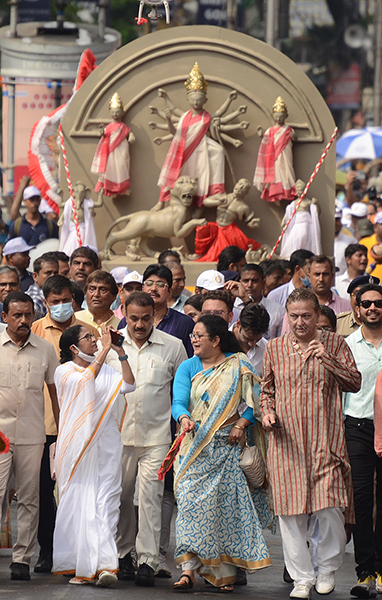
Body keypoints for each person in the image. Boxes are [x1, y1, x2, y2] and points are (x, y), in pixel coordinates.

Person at [261, 288, 361, 599]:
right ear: (287, 317)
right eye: (294, 316)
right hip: (286, 444)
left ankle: (327, 568)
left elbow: (354, 382)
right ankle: (301, 578)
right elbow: (267, 391)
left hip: (325, 442)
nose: (300, 322)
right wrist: (267, 413)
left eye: (306, 315)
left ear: (318, 315)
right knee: (290, 515)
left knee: (329, 509)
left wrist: (327, 358)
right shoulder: (275, 348)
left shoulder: (335, 343)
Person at [172, 315, 271, 591]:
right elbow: (178, 401)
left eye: (199, 335)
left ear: (215, 340)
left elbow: (254, 402)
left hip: (226, 448)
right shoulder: (188, 367)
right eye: (192, 335)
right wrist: (183, 419)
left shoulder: (238, 364)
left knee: (224, 511)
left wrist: (241, 423)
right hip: (193, 447)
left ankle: (222, 574)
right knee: (190, 508)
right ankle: (188, 570)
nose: (193, 339)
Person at [104, 292, 187, 586]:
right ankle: (123, 555)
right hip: (117, 436)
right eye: (134, 318)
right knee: (122, 497)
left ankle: (148, 561)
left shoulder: (173, 347)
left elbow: (181, 391)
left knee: (150, 498)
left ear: (155, 315)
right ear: (124, 312)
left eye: (146, 318)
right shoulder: (110, 346)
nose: (139, 325)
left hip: (157, 437)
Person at [53, 324, 135, 586]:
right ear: (73, 348)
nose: (95, 341)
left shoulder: (107, 370)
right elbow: (85, 381)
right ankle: (82, 565)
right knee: (82, 505)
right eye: (88, 337)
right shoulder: (64, 371)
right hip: (78, 448)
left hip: (108, 443)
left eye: (94, 336)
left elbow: (130, 385)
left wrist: (120, 352)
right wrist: (106, 349)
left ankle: (106, 566)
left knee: (107, 503)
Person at [31, 275, 98, 573]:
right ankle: (48, 550)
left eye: (65, 300)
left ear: (74, 298)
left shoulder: (88, 331)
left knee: (81, 490)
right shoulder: (34, 331)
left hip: (81, 425)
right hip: (44, 424)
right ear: (45, 302)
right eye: (54, 302)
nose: (60, 306)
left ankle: (82, 551)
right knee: (45, 492)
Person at [0, 292, 59, 581]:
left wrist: (62, 434)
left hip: (33, 435)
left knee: (29, 497)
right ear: (5, 318)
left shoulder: (46, 350)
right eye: (17, 315)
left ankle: (22, 559)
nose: (23, 320)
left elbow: (55, 393)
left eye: (27, 314)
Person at [344, 283, 382, 598]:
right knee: (361, 500)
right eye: (366, 303)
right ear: (357, 309)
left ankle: (381, 569)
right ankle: (365, 571)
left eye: (378, 303)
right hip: (356, 427)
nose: (372, 308)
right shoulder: (348, 345)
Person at [157, 62, 225, 207]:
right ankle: (162, 200)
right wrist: (168, 118)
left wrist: (230, 100)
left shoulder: (206, 117)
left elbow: (218, 114)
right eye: (193, 99)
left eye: (199, 99)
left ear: (205, 100)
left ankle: (216, 189)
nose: (196, 101)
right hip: (184, 148)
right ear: (188, 100)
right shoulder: (184, 117)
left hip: (201, 148)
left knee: (218, 151)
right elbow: (175, 133)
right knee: (173, 172)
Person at [194, 180, 261, 262]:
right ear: (235, 184)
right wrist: (217, 202)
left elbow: (249, 222)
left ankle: (260, 249)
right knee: (202, 228)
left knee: (233, 246)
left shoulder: (243, 207)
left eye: (244, 187)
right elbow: (205, 201)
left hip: (229, 228)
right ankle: (198, 253)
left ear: (246, 192)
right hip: (216, 226)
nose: (240, 187)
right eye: (240, 184)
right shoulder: (223, 196)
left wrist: (253, 224)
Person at [142, 264, 194, 356]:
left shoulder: (185, 323)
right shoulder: (129, 321)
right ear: (142, 289)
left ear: (169, 292)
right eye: (149, 283)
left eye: (160, 285)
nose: (153, 289)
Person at [253, 96, 297, 202]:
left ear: (286, 116)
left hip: (285, 154)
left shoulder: (288, 129)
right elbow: (267, 141)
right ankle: (275, 191)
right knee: (276, 173)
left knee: (286, 171)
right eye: (277, 116)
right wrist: (261, 135)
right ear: (273, 116)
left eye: (281, 117)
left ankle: (287, 190)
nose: (279, 119)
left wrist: (293, 136)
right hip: (273, 157)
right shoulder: (270, 130)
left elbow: (294, 138)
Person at [91, 92, 134, 197]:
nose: (115, 114)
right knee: (111, 170)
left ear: (122, 113)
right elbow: (104, 133)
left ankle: (123, 188)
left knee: (122, 167)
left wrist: (132, 136)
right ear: (110, 112)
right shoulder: (109, 126)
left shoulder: (123, 127)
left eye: (117, 112)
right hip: (111, 151)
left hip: (121, 149)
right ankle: (111, 190)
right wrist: (101, 130)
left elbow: (129, 132)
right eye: (113, 112)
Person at [225, 263, 284, 339]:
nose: (249, 285)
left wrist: (247, 300)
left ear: (263, 283)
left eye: (254, 281)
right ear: (240, 282)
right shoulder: (231, 306)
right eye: (246, 281)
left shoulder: (277, 310)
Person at [279, 179, 322, 258]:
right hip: (297, 223)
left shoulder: (308, 202)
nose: (299, 193)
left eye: (301, 191)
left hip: (306, 223)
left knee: (304, 236)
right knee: (296, 238)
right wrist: (283, 221)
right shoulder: (295, 203)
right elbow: (289, 212)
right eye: (298, 191)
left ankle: (305, 254)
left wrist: (316, 203)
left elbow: (317, 213)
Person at [231, 302, 270, 377]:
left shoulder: (266, 349)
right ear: (239, 324)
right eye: (247, 338)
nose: (251, 344)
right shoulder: (221, 342)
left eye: (257, 340)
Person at [26, 253, 59, 320]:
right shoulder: (35, 300)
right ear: (35, 276)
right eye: (48, 273)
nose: (53, 276)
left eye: (56, 273)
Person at [334, 207, 358, 276]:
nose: (335, 223)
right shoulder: (321, 240)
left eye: (337, 220)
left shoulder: (351, 241)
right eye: (333, 220)